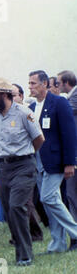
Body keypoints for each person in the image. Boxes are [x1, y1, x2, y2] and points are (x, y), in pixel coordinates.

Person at [0, 77, 45, 266]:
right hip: (4, 166)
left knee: (17, 207)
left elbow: (39, 139)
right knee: (8, 210)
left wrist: (26, 157)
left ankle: (25, 254)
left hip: (23, 165)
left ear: (5, 95)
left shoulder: (24, 113)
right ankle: (20, 249)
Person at [28, 70, 77, 253]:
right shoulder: (32, 107)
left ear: (44, 84)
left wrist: (70, 162)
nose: (30, 87)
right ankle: (57, 243)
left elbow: (69, 134)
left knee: (47, 197)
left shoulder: (59, 103)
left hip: (56, 160)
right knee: (51, 201)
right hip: (39, 161)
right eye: (29, 83)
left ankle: (75, 233)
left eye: (33, 83)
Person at [57, 70, 77, 223]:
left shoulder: (74, 98)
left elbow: (64, 113)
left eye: (58, 83)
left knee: (72, 193)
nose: (57, 86)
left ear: (66, 83)